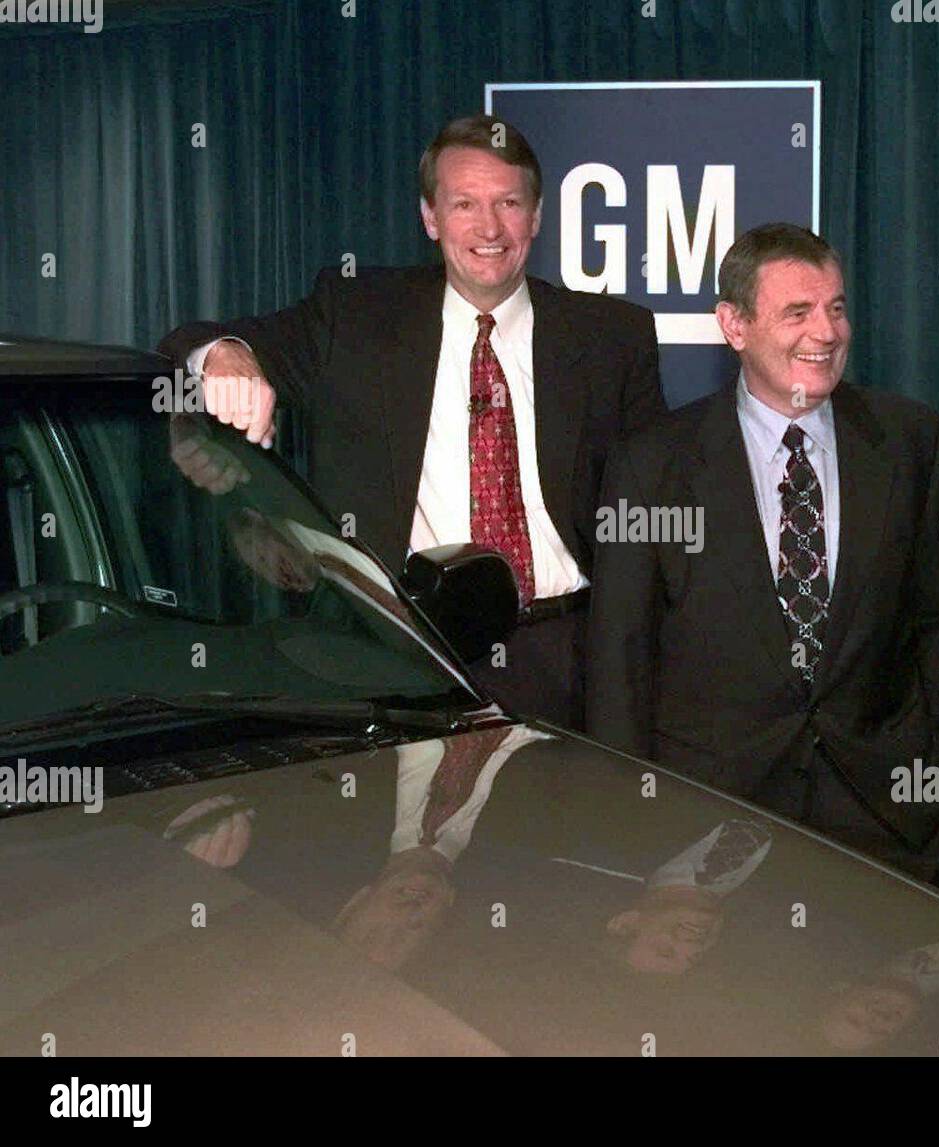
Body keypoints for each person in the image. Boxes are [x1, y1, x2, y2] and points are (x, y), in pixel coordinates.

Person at [158, 115, 665, 729]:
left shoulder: (612, 338)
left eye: (508, 203)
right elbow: (190, 344)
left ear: (535, 217)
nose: (489, 228)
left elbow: (649, 518)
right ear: (430, 218)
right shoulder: (356, 315)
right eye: (464, 204)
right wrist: (224, 357)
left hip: (564, 660)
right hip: (392, 657)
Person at [586, 223, 939, 881]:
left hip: (884, 820)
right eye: (798, 311)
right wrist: (629, 816)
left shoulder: (912, 439)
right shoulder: (653, 464)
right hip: (711, 825)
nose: (827, 332)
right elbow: (620, 656)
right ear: (733, 326)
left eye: (836, 307)